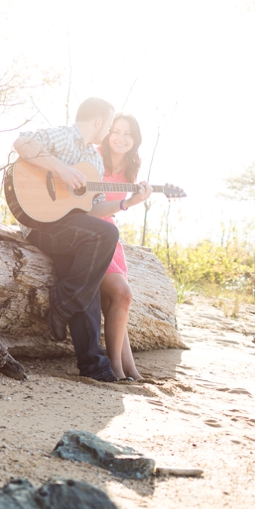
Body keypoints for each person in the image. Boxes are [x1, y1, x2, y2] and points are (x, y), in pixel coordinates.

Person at [12, 97, 127, 383]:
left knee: (85, 278)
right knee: (108, 234)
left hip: (72, 229)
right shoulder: (65, 136)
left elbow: (92, 209)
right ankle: (63, 301)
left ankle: (95, 366)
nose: (109, 131)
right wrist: (60, 169)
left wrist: (126, 203)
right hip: (40, 224)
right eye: (109, 125)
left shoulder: (95, 160)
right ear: (99, 122)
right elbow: (22, 142)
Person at [89, 113, 151, 380]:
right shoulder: (92, 156)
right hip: (90, 231)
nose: (121, 138)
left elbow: (112, 207)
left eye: (127, 134)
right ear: (107, 133)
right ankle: (114, 365)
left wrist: (136, 198)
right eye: (116, 131)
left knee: (118, 301)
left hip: (110, 232)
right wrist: (129, 203)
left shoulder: (129, 168)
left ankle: (130, 368)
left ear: (134, 139)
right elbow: (90, 208)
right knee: (123, 294)